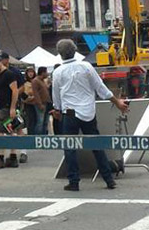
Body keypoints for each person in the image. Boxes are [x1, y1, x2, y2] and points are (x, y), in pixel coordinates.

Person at [52, 39, 129, 192]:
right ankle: (108, 179)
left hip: (70, 112)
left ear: (60, 54)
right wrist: (117, 102)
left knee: (70, 148)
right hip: (88, 111)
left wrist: (57, 109)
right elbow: (101, 88)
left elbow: (56, 95)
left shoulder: (58, 72)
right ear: (74, 50)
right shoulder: (86, 66)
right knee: (96, 145)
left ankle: (74, 181)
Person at [0, 52, 28, 163]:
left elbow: (22, 87)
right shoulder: (0, 73)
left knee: (19, 126)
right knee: (9, 127)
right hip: (4, 105)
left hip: (16, 103)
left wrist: (14, 94)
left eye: (1, 60)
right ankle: (13, 153)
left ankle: (23, 152)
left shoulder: (15, 71)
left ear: (6, 60)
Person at [31, 67, 51, 135]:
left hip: (46, 103)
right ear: (42, 73)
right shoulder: (35, 81)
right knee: (40, 121)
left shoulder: (43, 81)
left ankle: (44, 135)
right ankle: (38, 136)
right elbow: (36, 93)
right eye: (46, 72)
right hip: (40, 104)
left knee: (45, 122)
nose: (47, 73)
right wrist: (39, 104)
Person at [21, 68, 38, 136]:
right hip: (28, 103)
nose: (31, 74)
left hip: (36, 103)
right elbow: (24, 94)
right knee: (30, 119)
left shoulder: (36, 81)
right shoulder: (24, 83)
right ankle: (30, 134)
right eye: (29, 72)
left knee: (36, 120)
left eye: (32, 72)